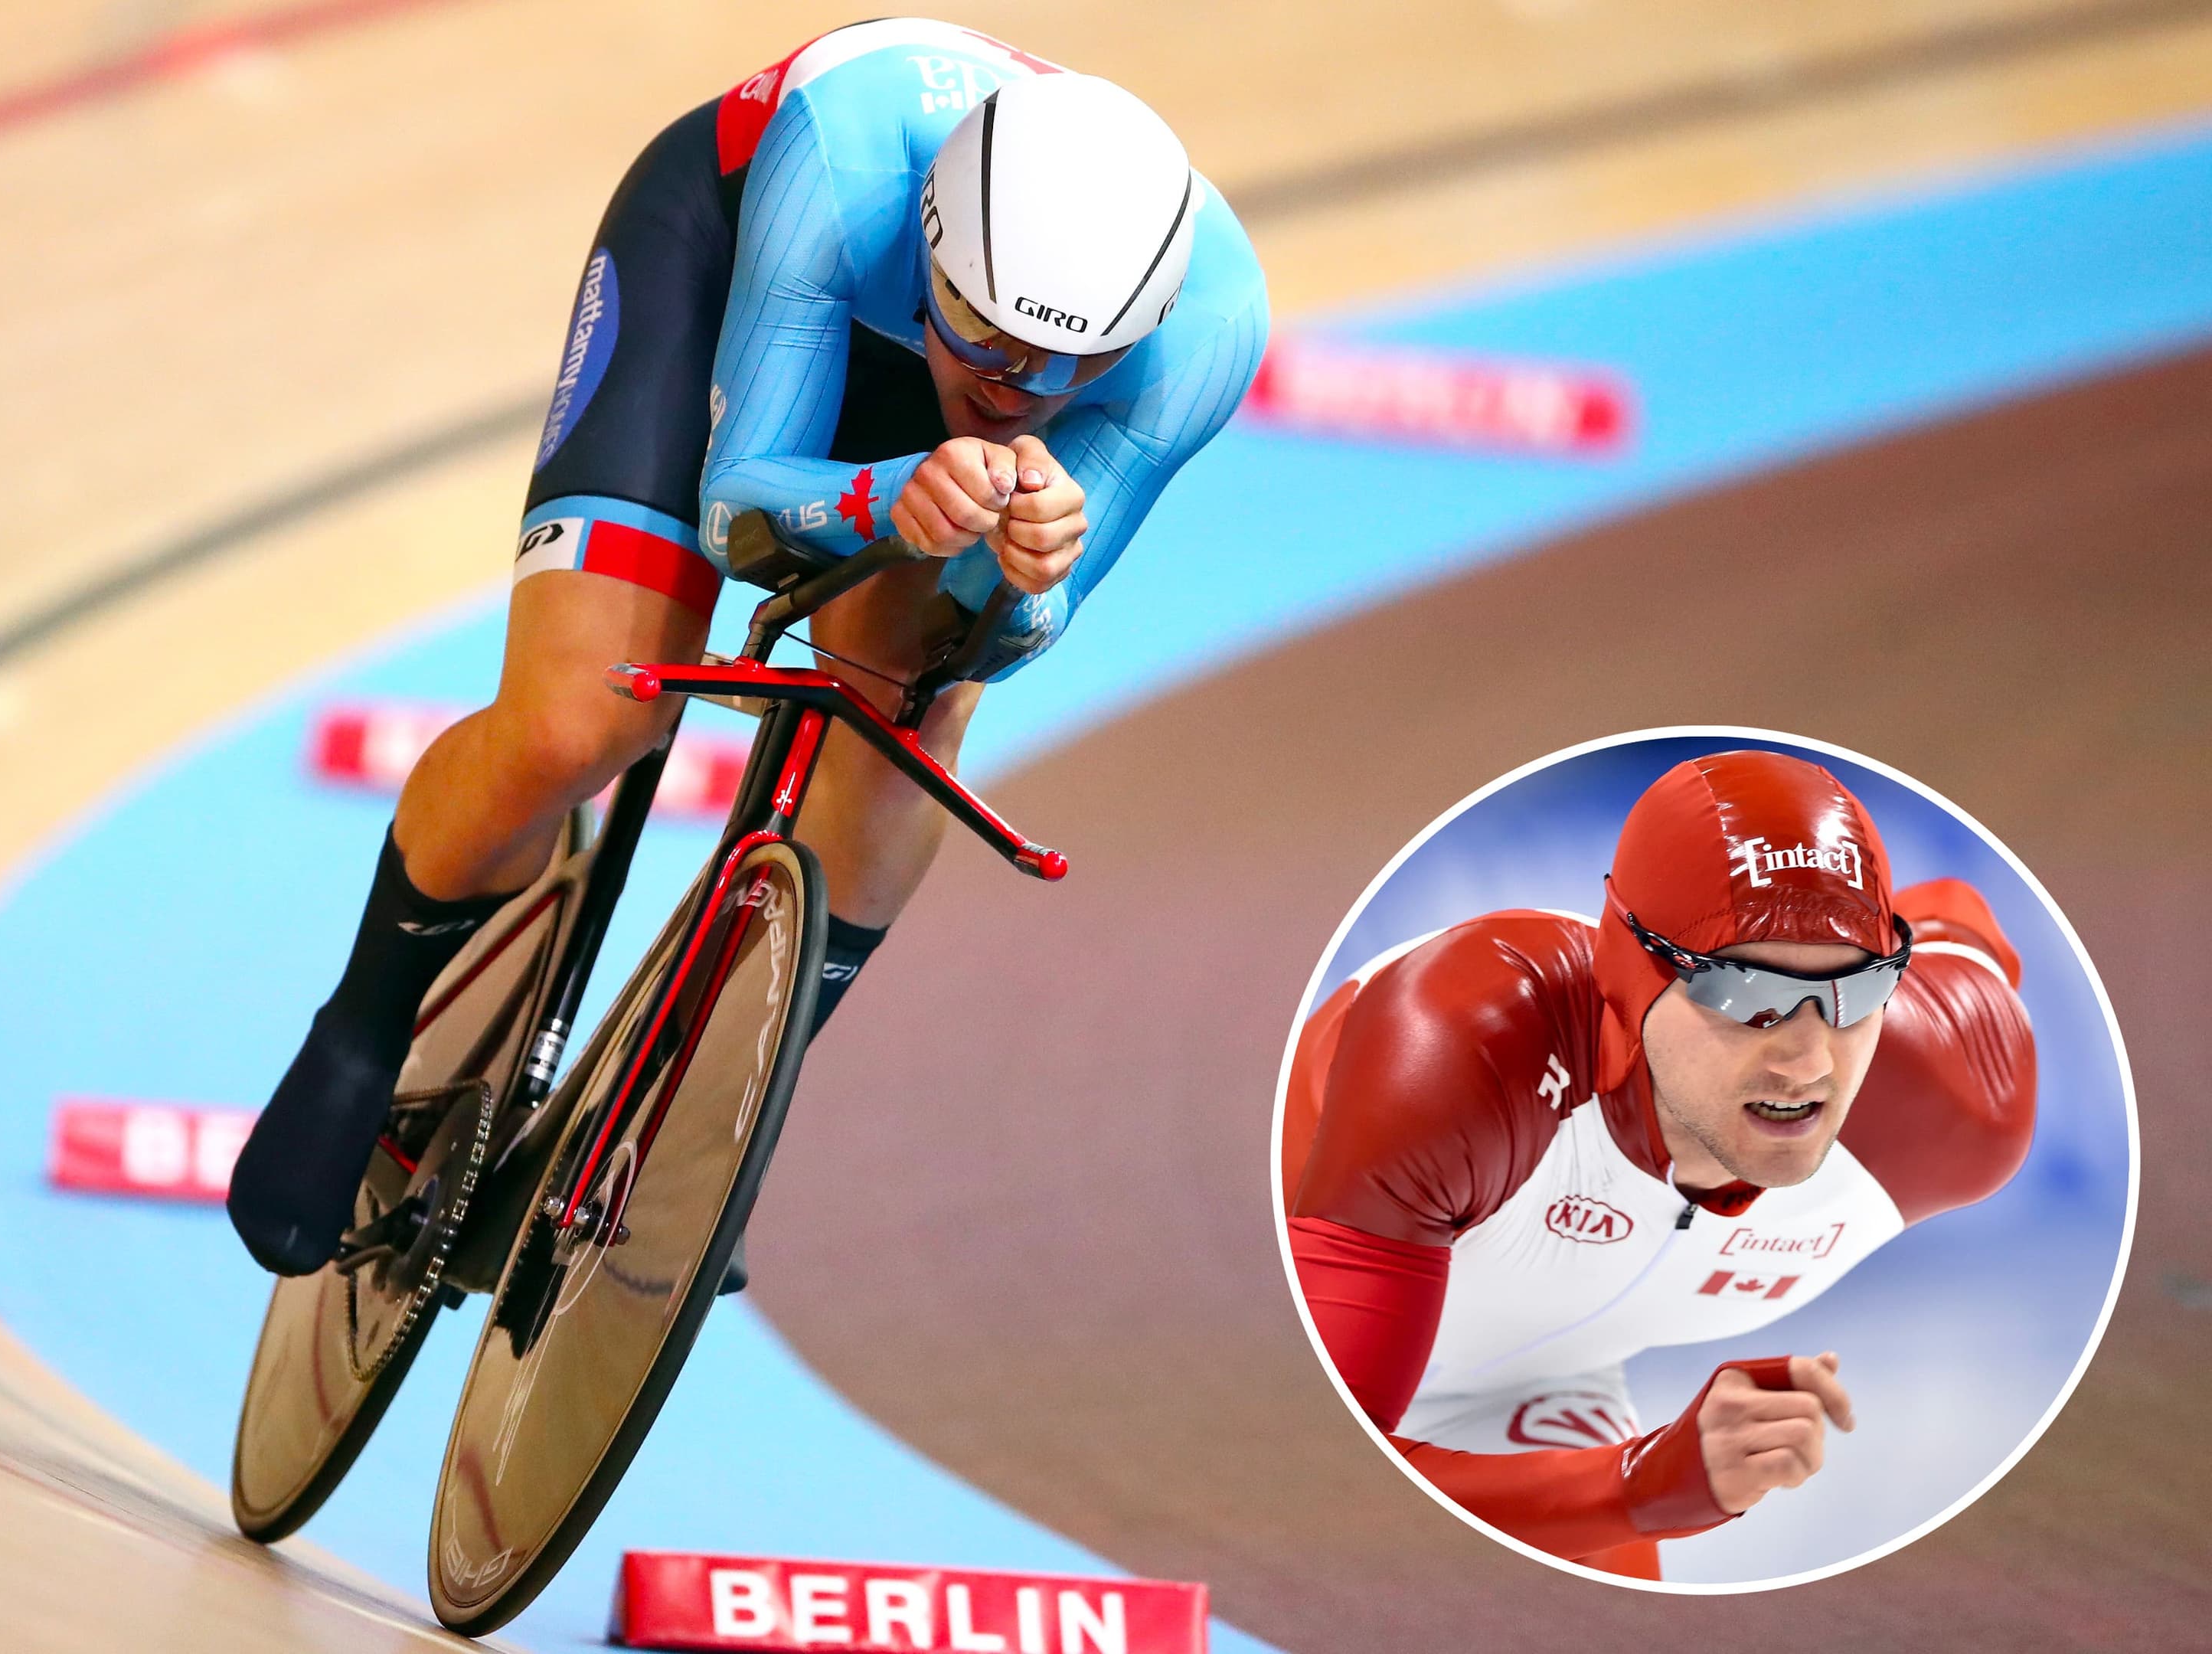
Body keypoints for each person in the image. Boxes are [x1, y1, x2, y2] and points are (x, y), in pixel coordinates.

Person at [228, 20, 1270, 1280]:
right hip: (730, 268)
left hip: (909, 390)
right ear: (936, 248)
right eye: (988, 336)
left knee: (908, 725)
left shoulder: (1206, 328)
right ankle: (362, 1026)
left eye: (1068, 366)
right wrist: (894, 499)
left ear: (1137, 334)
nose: (1015, 385)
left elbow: (1010, 634)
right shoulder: (848, 158)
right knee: (587, 721)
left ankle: (712, 1115)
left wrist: (1021, 565)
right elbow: (738, 517)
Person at [1281, 750, 2037, 1578]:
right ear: (1627, 977)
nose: (1808, 1063)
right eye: (1748, 997)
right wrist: (1646, 1486)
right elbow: (1320, 1482)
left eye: (1855, 990)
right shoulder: (1463, 1056)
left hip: (1542, 1379)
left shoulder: (1959, 1098)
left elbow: (1953, 917)